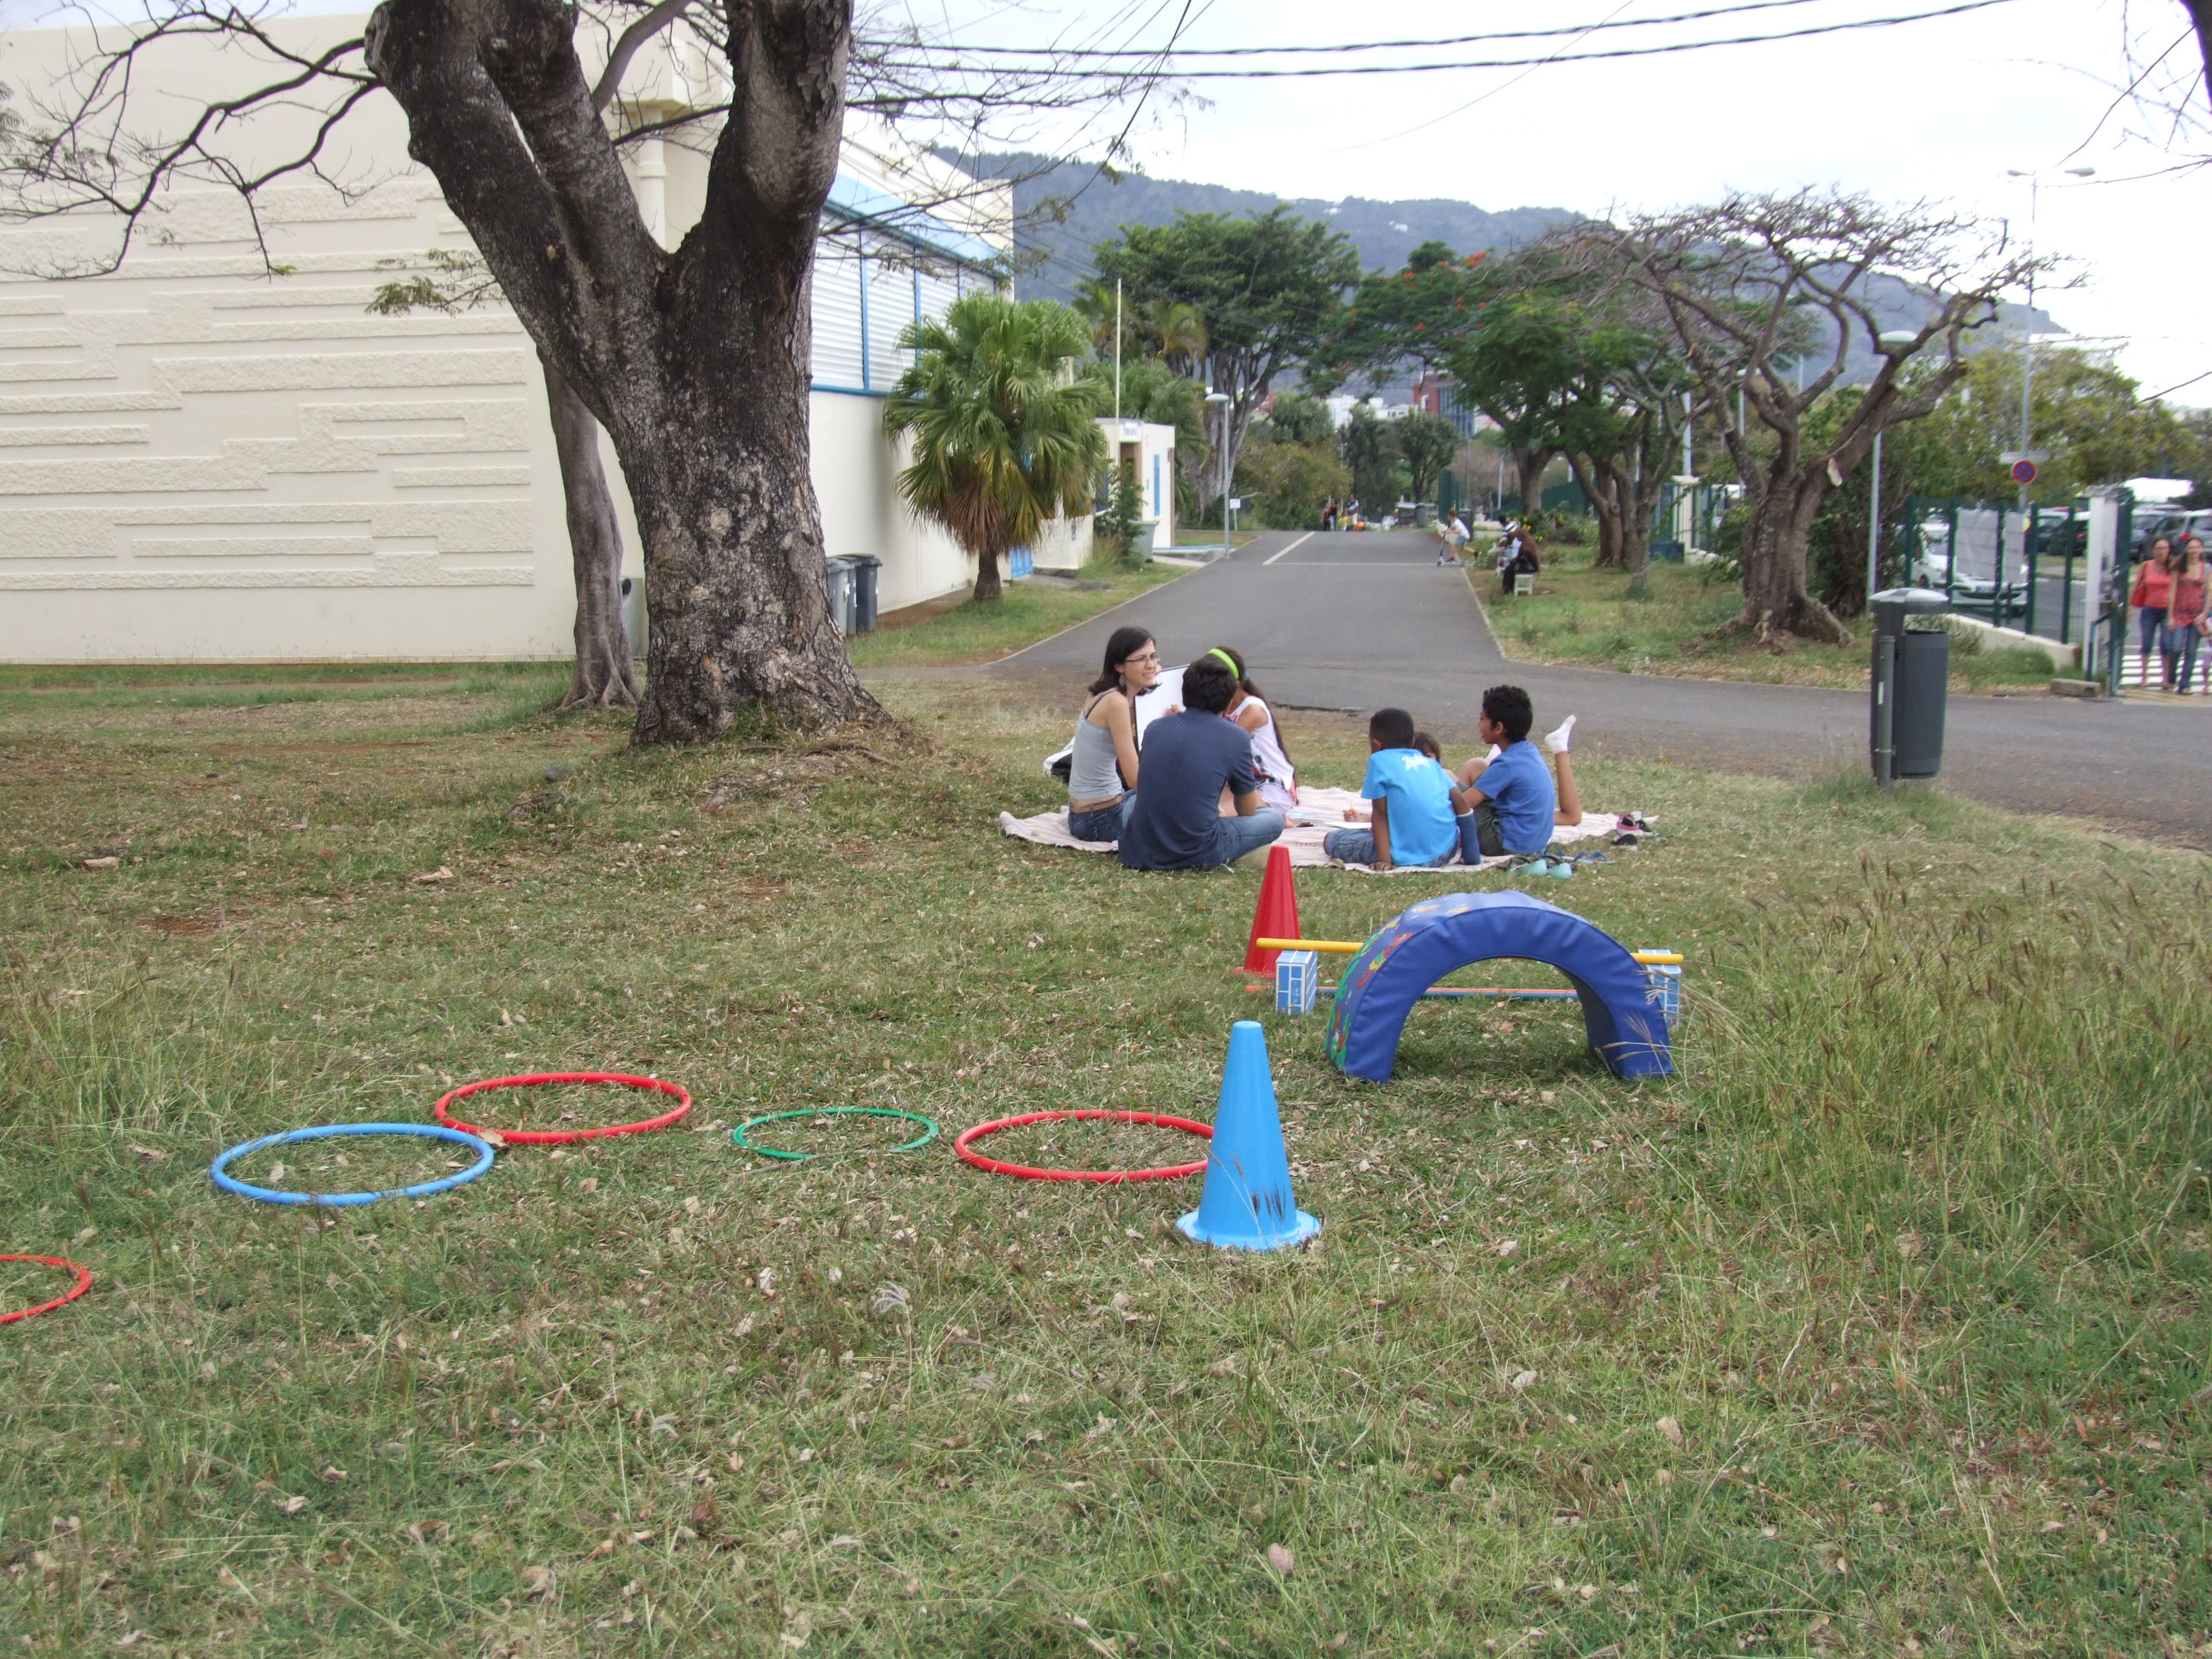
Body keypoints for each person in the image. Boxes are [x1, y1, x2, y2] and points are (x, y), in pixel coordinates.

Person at [1115, 655, 1284, 871]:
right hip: (1198, 850)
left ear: (1184, 693)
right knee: (1272, 819)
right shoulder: (1234, 737)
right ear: (1228, 700)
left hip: (1137, 850)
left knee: (1133, 801)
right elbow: (1247, 809)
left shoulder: (1156, 727)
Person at [1451, 689, 1583, 860]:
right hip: (1531, 843)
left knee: (1447, 778)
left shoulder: (1506, 764)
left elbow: (1464, 805)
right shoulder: (1528, 751)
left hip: (1503, 844)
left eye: (1482, 718)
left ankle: (1449, 836)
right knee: (1475, 766)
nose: (1478, 724)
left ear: (1498, 727)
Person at [1322, 707, 1460, 871]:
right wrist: (1471, 855)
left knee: (1332, 840)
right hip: (1445, 850)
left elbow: (1380, 814)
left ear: (1376, 744)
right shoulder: (1430, 763)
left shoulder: (1379, 760)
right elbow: (1462, 804)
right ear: (1412, 740)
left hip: (1406, 855)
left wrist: (1384, 860)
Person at [1064, 625, 1157, 842]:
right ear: (1119, 665)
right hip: (1099, 819)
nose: (1151, 664)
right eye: (1141, 659)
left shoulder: (1106, 693)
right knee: (1175, 810)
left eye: (1153, 657)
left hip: (1088, 813)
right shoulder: (1116, 703)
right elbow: (1135, 779)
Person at [1208, 645, 1299, 812]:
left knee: (1216, 813)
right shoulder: (1220, 706)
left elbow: (1221, 748)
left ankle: (1274, 812)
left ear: (1235, 684)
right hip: (1241, 784)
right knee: (1199, 806)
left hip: (1270, 785)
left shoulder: (1252, 710)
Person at [2167, 535, 2208, 695]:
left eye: (2197, 547)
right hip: (2179, 614)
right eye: (2191, 547)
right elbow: (2172, 590)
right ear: (2186, 550)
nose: (2194, 551)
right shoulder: (2179, 566)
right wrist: (2170, 615)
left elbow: (2209, 592)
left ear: (2201, 549)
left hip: (2197, 615)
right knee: (2176, 648)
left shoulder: (2207, 568)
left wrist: (2204, 613)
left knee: (2191, 651)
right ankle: (2172, 674)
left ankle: (2185, 684)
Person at [2132, 538, 2174, 684]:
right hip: (2149, 609)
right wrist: (2129, 608)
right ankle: (2144, 676)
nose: (2161, 551)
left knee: (2166, 644)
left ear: (2169, 550)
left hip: (2167, 610)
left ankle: (2165, 678)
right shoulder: (2146, 566)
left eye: (2164, 548)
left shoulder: (2173, 566)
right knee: (2147, 642)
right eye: (2158, 548)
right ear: (2153, 550)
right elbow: (2136, 586)